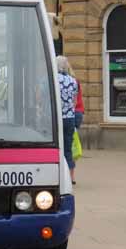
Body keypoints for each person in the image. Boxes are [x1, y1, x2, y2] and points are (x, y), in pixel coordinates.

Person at [56, 56, 78, 184]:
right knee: (68, 148)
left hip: (57, 119)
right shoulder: (72, 81)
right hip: (69, 118)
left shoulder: (52, 79)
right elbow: (74, 102)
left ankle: (59, 176)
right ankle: (71, 177)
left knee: (57, 148)